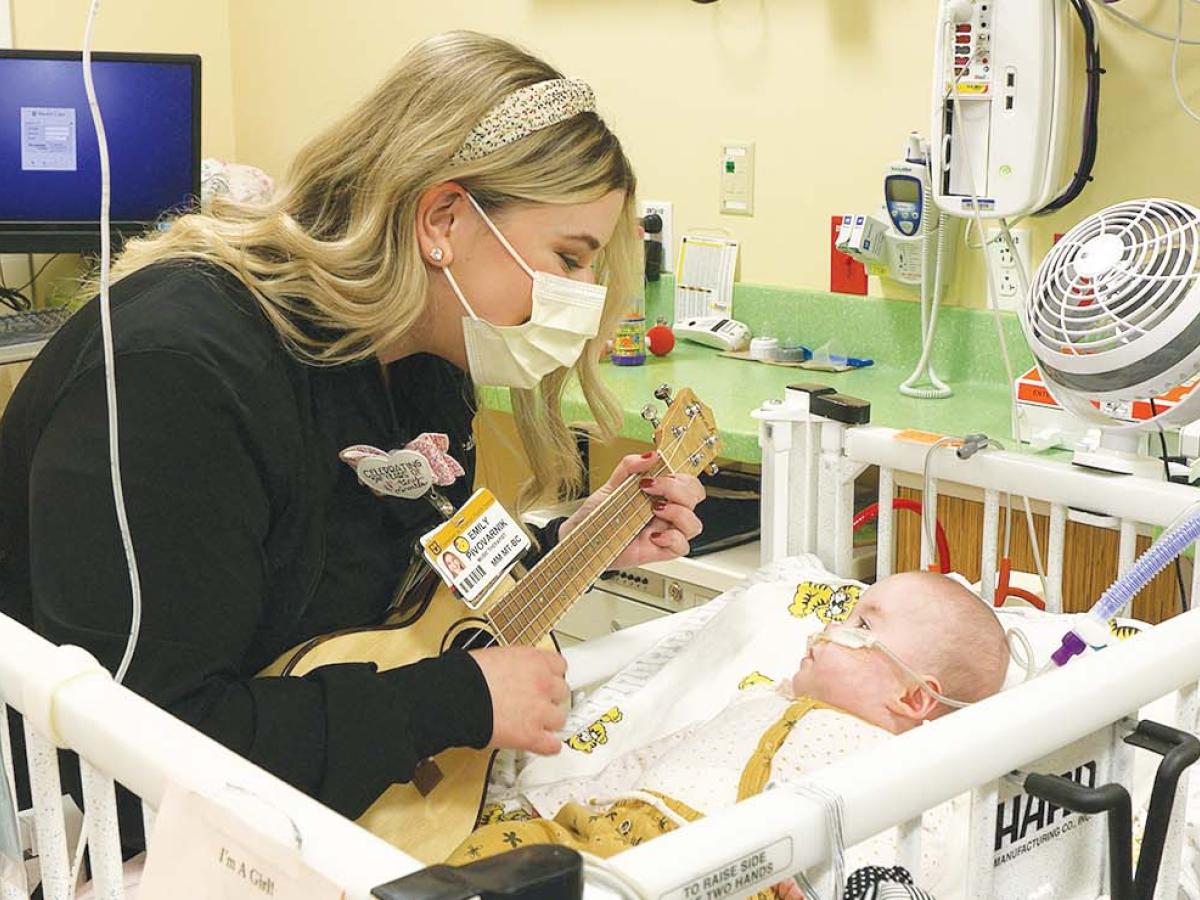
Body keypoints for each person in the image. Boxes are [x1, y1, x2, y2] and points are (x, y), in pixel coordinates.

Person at [0, 31, 705, 847]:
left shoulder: (415, 358)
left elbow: (402, 590)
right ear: (442, 219)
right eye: (568, 258)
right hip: (95, 831)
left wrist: (563, 548)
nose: (580, 298)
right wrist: (455, 702)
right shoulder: (182, 374)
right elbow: (141, 752)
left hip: (287, 789)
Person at [448, 572, 1009, 898]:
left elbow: (903, 865)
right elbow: (646, 760)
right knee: (471, 867)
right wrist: (524, 808)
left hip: (726, 873)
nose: (828, 627)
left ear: (914, 697)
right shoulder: (756, 704)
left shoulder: (901, 769)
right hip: (596, 836)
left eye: (862, 625)